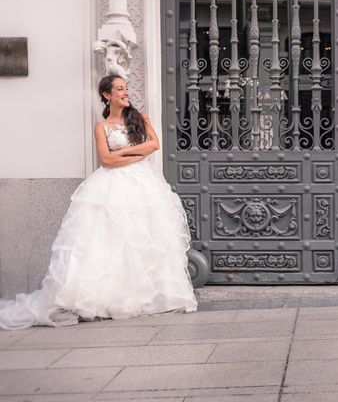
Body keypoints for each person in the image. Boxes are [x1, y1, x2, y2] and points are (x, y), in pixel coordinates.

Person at [0, 75, 197, 330]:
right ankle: (107, 300)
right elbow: (106, 161)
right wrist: (135, 153)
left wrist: (122, 152)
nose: (125, 92)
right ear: (107, 94)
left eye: (126, 88)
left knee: (145, 237)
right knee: (110, 241)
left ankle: (148, 297)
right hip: (110, 187)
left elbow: (154, 144)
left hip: (144, 187)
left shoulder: (139, 118)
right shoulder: (101, 127)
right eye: (119, 89)